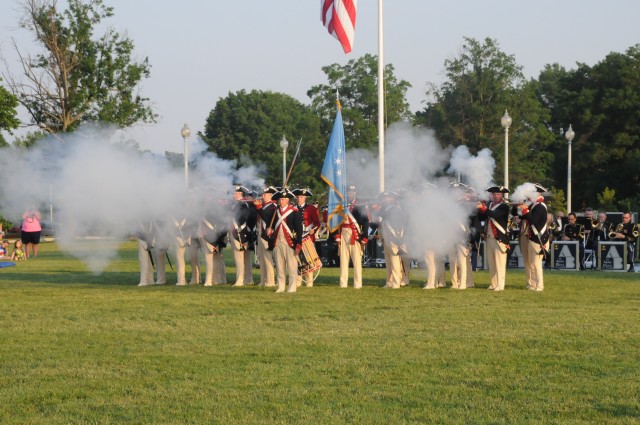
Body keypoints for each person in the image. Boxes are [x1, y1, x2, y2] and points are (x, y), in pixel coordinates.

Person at [335, 185, 369, 289]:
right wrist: (337, 236)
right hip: (343, 233)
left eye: (352, 192)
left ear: (355, 194)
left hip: (355, 234)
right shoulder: (342, 205)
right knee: (343, 260)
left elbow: (365, 222)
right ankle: (343, 283)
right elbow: (337, 222)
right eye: (349, 192)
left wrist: (364, 237)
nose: (350, 194)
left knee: (357, 261)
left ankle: (358, 283)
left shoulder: (360, 205)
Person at [517, 183, 550, 291]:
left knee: (536, 264)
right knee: (532, 263)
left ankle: (540, 285)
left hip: (539, 238)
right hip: (533, 238)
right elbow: (522, 216)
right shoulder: (534, 205)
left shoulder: (540, 206)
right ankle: (534, 284)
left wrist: (525, 210)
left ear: (538, 194)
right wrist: (520, 207)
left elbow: (533, 220)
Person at [270, 188, 303, 293]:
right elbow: (269, 224)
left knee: (292, 267)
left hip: (290, 242)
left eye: (283, 199)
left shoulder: (294, 212)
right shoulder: (275, 212)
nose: (281, 201)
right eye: (280, 199)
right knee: (279, 267)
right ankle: (281, 287)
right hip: (277, 242)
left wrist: (298, 244)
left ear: (288, 200)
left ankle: (292, 287)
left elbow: (299, 230)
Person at [477, 186, 510, 291]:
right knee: (491, 262)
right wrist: (480, 209)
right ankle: (493, 283)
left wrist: (483, 208)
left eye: (499, 194)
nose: (496, 196)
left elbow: (495, 215)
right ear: (492, 195)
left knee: (500, 263)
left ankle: (500, 285)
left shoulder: (504, 206)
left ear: (501, 195)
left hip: (499, 237)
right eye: (495, 194)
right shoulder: (490, 204)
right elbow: (483, 217)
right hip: (489, 236)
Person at [293, 188, 321, 287]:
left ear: (305, 198)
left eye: (302, 197)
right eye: (298, 197)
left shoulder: (311, 208)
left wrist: (313, 229)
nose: (299, 199)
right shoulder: (293, 208)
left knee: (308, 259)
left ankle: (309, 281)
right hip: (297, 237)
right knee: (297, 259)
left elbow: (317, 223)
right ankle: (298, 280)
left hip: (308, 237)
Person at [378, 190, 405, 289]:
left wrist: (399, 239)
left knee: (395, 261)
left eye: (388, 197)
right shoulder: (385, 210)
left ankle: (396, 282)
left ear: (393, 199)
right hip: (386, 238)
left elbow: (398, 226)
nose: (385, 199)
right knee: (389, 262)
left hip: (394, 239)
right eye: (384, 198)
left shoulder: (395, 210)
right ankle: (389, 282)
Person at [229, 184, 254, 286]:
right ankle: (248, 279)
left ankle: (240, 279)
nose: (234, 195)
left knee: (240, 258)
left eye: (236, 193)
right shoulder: (235, 204)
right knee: (245, 258)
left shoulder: (243, 204)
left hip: (240, 233)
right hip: (239, 232)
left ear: (240, 194)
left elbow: (243, 218)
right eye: (234, 193)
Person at [254, 186, 278, 287]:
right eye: (262, 194)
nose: (262, 196)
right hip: (260, 233)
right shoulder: (264, 206)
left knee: (268, 259)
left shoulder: (273, 206)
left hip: (267, 235)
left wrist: (258, 207)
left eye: (265, 195)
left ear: (270, 195)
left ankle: (270, 280)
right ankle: (263, 280)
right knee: (261, 258)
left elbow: (266, 218)